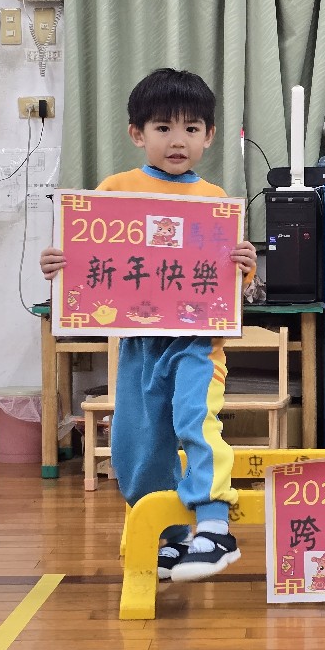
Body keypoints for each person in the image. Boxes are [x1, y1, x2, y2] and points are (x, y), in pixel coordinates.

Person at [40, 68, 257, 582]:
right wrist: (58, 265)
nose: (177, 140)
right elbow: (88, 253)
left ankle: (215, 527)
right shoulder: (116, 191)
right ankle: (170, 535)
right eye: (163, 128)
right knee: (136, 442)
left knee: (195, 421)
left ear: (209, 136)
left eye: (191, 128)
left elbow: (232, 283)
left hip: (198, 343)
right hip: (139, 345)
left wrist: (245, 268)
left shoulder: (215, 200)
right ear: (137, 134)